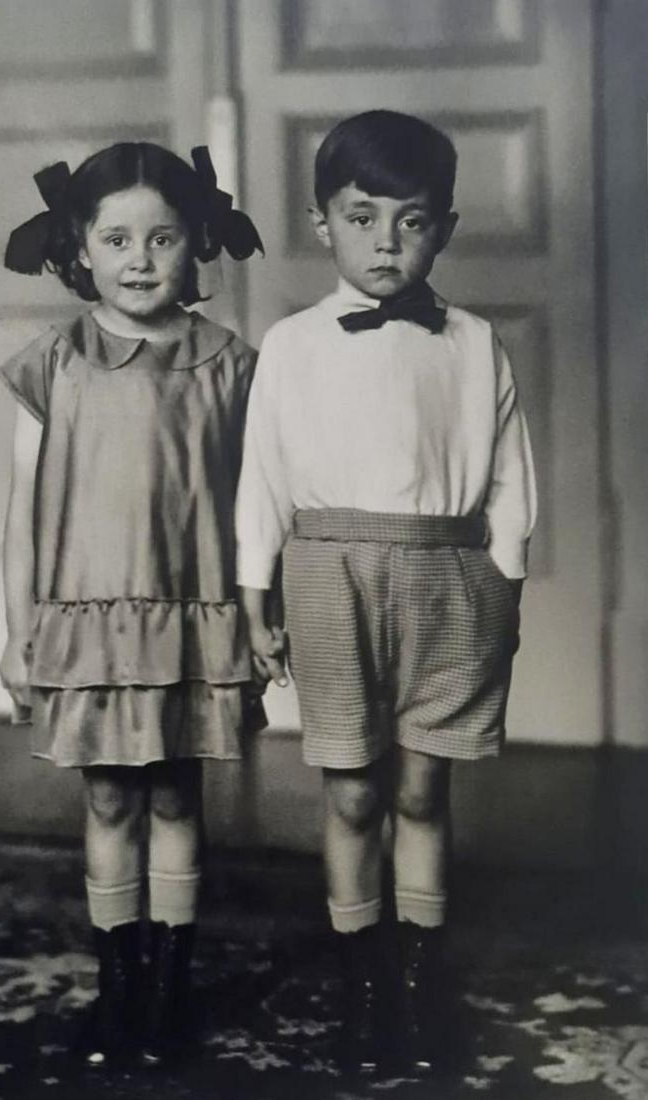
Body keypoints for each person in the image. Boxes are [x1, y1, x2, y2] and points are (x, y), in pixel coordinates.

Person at [236, 109, 536, 1078]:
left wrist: (507, 579)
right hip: (328, 571)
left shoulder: (474, 342)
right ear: (323, 222)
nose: (384, 242)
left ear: (442, 227)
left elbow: (509, 479)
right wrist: (253, 589)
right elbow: (263, 475)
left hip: (450, 570)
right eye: (361, 217)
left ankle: (418, 974)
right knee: (354, 786)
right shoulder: (288, 344)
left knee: (421, 782)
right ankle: (360, 977)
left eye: (409, 221)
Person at [0, 141, 265, 1071]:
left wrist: (255, 613)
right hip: (87, 623)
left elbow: (254, 506)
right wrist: (16, 631)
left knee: (177, 793)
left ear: (198, 244)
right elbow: (22, 515)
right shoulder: (55, 363)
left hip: (193, 615)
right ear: (80, 247)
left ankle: (169, 989)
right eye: (118, 238)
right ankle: (118, 985)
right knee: (110, 796)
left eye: (163, 237)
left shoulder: (230, 365)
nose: (141, 258)